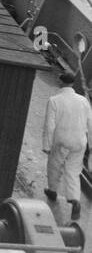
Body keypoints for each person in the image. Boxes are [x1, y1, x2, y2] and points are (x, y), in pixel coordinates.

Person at [42, 72, 92, 222]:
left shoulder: (54, 100)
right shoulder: (83, 101)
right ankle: (74, 200)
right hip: (79, 142)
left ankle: (52, 191)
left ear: (60, 81)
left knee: (54, 166)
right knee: (73, 171)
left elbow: (49, 125)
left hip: (61, 140)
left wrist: (46, 144)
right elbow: (90, 124)